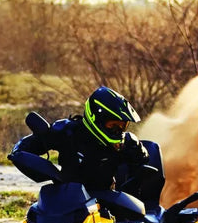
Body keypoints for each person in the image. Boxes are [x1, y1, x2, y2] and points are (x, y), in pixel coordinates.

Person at [10, 86, 164, 210]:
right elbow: (23, 149)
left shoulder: (128, 143)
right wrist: (44, 136)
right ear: (96, 117)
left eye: (122, 126)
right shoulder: (67, 131)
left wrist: (137, 158)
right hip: (66, 203)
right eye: (113, 125)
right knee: (34, 216)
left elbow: (145, 166)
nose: (118, 130)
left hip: (108, 206)